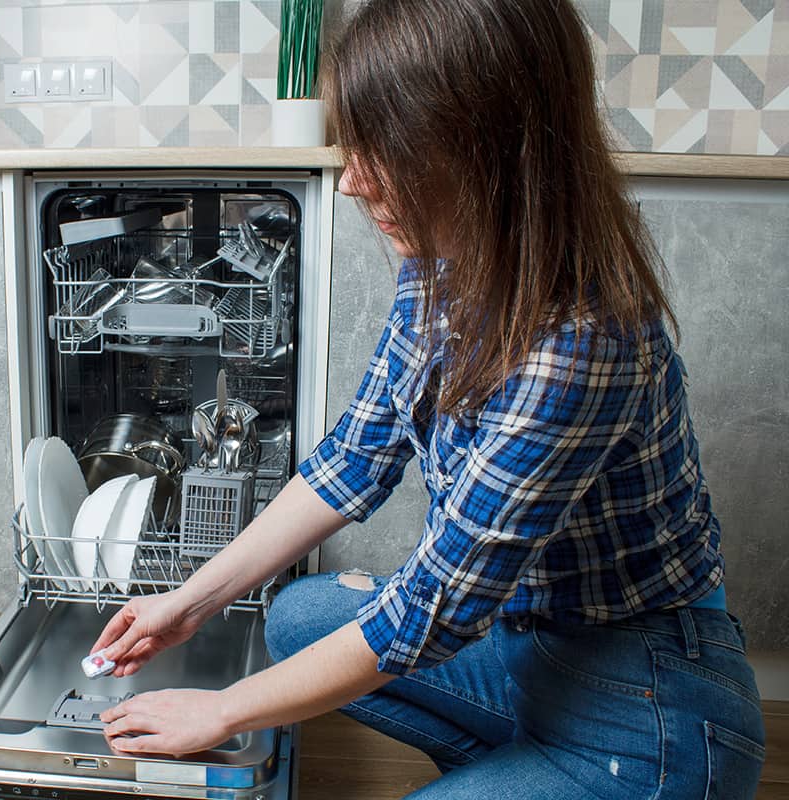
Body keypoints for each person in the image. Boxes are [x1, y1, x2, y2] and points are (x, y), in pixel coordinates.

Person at [90, 0, 767, 796]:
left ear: (482, 146)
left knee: (339, 647)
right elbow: (354, 458)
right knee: (300, 614)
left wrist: (228, 711)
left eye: (384, 148)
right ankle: (513, 767)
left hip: (643, 711)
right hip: (522, 649)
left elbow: (429, 613)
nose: (350, 181)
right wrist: (188, 601)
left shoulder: (581, 338)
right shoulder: (444, 263)